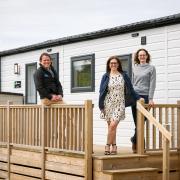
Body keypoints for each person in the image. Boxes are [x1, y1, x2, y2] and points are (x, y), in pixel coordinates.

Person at [99, 56, 140, 155]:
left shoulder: (124, 75)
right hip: (108, 103)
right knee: (111, 127)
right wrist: (101, 106)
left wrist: (138, 98)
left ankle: (107, 145)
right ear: (109, 65)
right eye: (111, 63)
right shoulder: (105, 76)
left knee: (113, 125)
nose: (113, 65)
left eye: (115, 63)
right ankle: (114, 146)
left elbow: (131, 88)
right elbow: (101, 91)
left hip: (119, 103)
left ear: (118, 64)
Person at [131, 48, 156, 153]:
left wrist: (150, 98)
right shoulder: (134, 68)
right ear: (138, 57)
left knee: (142, 121)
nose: (142, 57)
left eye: (144, 55)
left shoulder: (151, 68)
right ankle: (141, 145)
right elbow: (132, 83)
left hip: (145, 96)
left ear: (147, 56)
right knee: (137, 122)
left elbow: (152, 83)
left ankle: (134, 140)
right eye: (140, 55)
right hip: (135, 96)